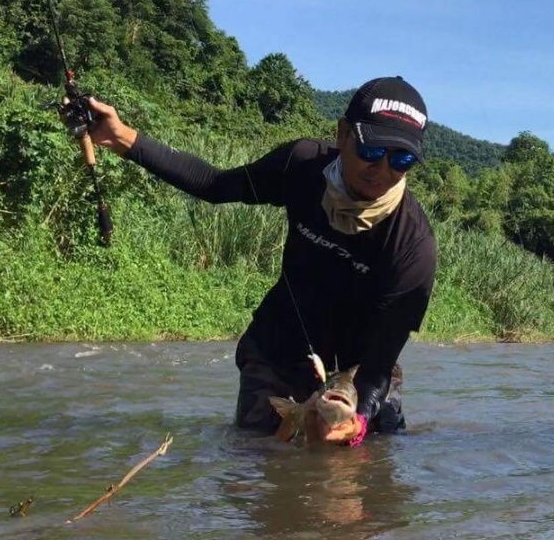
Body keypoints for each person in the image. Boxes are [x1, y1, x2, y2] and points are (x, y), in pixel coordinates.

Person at [86, 76, 437, 445]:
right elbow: (215, 185)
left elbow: (379, 367)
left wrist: (360, 424)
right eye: (372, 151)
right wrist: (121, 137)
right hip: (279, 346)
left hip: (359, 372)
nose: (382, 169)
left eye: (402, 159)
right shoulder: (301, 166)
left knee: (376, 471)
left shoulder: (413, 246)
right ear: (344, 133)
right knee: (257, 466)